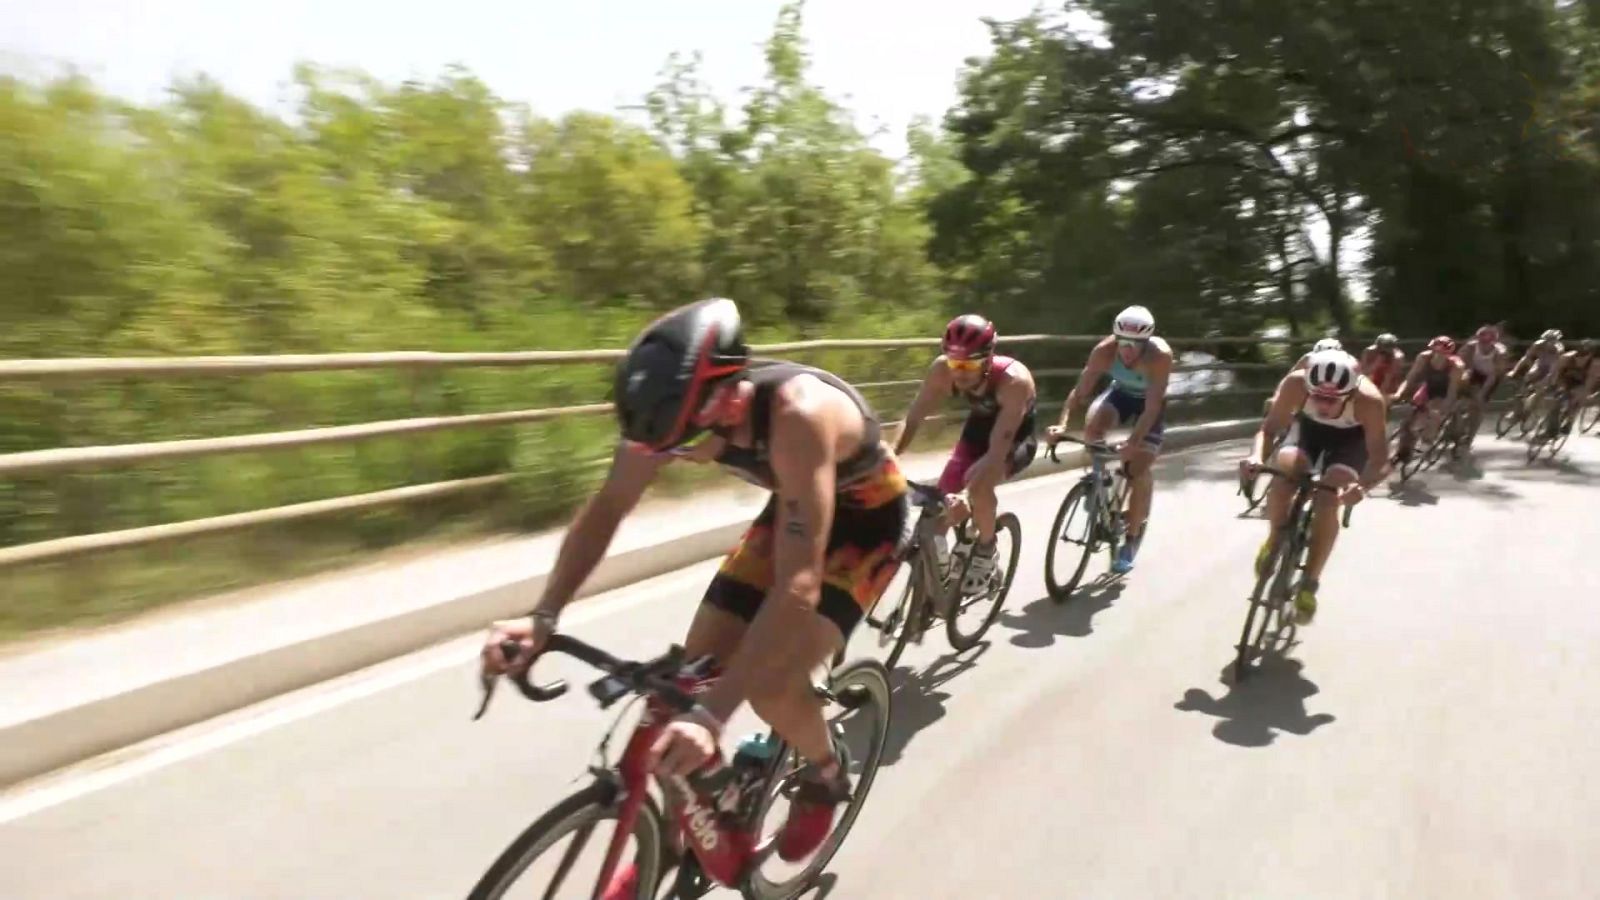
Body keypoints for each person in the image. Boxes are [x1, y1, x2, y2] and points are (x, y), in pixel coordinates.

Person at [479, 298, 910, 894]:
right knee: (690, 674)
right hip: (793, 511)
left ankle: (827, 770)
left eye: (683, 446)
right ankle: (677, 847)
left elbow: (799, 585)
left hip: (864, 528)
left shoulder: (796, 417)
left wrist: (715, 715)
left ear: (730, 400)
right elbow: (608, 507)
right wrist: (543, 617)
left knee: (766, 682)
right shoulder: (671, 416)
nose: (670, 459)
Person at [893, 314, 1037, 596]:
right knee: (938, 506)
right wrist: (890, 453)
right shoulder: (942, 371)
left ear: (987, 358)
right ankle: (939, 579)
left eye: (968, 364)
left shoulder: (1013, 381)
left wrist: (966, 495)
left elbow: (996, 451)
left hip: (1013, 437)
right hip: (978, 429)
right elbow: (913, 418)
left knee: (979, 485)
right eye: (954, 362)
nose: (959, 372)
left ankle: (986, 550)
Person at [1239, 350, 1388, 622]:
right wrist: (1256, 457)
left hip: (1349, 442)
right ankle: (1274, 539)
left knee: (1328, 500)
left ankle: (1310, 583)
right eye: (1317, 395)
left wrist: (1362, 487)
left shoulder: (1369, 401)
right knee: (1284, 476)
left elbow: (1379, 458)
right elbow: (1269, 429)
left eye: (1332, 399)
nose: (1323, 404)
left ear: (1351, 393)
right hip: (1308, 433)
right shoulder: (1295, 384)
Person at [1046, 305, 1172, 574]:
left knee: (1137, 466)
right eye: (1122, 342)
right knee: (1093, 431)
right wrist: (1062, 424)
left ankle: (1132, 537)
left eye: (1135, 344)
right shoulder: (1103, 352)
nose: (1126, 350)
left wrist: (1134, 442)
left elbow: (1151, 408)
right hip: (1121, 395)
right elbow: (1079, 393)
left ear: (1146, 343)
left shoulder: (1159, 356)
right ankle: (1100, 485)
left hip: (1149, 404)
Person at [1392, 336, 1465, 462]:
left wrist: (1444, 409)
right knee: (1409, 419)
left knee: (1435, 414)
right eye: (1434, 351)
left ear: (1448, 354)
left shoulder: (1456, 366)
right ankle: (1403, 451)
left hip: (1446, 391)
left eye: (1441, 353)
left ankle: (1428, 442)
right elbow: (1410, 378)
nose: (1437, 355)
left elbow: (1451, 391)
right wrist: (1399, 393)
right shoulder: (1423, 357)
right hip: (1429, 387)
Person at [1457, 325, 1508, 449]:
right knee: (1459, 394)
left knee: (1478, 407)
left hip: (1491, 376)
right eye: (1481, 341)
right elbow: (1459, 362)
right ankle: (1455, 422)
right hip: (1474, 372)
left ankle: (1470, 436)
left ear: (1493, 342)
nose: (1484, 345)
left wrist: (1482, 394)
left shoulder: (1499, 352)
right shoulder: (1471, 346)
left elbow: (1493, 375)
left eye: (1487, 343)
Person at [1544, 338, 1600, 437]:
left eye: (1586, 355)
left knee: (1576, 401)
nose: (1581, 359)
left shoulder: (1595, 364)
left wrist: (1583, 395)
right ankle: (1551, 431)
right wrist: (1554, 386)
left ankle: (1569, 422)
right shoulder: (1566, 357)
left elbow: (1589, 383)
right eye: (1580, 354)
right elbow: (1556, 373)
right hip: (1566, 380)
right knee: (1554, 402)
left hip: (1582, 384)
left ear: (1591, 354)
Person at [1359, 333, 1407, 397]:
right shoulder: (1368, 352)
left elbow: (1389, 377)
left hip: (1388, 385)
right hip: (1370, 382)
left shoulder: (1397, 357)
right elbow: (1363, 373)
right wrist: (1376, 364)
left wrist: (1380, 394)